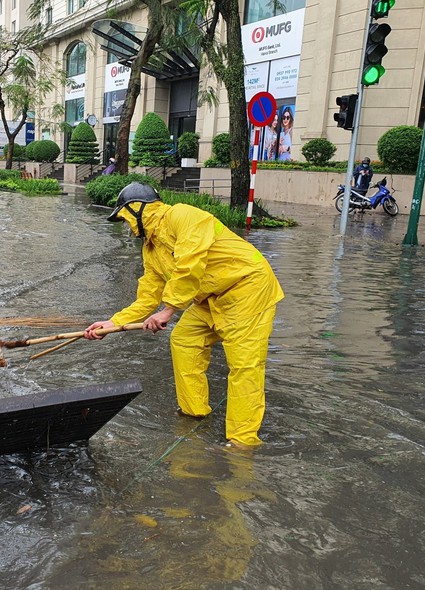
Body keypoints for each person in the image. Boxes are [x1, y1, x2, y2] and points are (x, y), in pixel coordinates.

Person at [84, 182, 284, 447]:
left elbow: (190, 264)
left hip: (246, 289)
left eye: (124, 217)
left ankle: (242, 441)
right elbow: (148, 295)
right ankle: (194, 411)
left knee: (244, 366)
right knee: (184, 341)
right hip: (209, 299)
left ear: (136, 209)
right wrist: (112, 323)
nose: (125, 225)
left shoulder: (183, 215)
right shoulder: (151, 248)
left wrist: (168, 310)